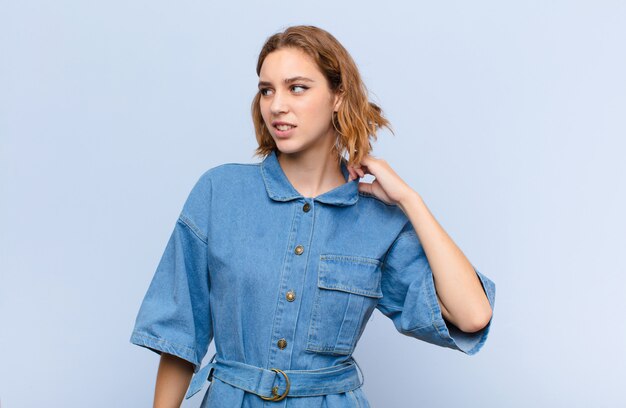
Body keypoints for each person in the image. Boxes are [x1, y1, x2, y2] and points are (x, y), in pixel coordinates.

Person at [129, 25, 496, 408]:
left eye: (297, 88)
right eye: (266, 89)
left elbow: (472, 315)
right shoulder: (219, 192)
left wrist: (410, 201)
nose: (276, 105)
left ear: (338, 96)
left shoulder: (378, 220)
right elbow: (178, 336)